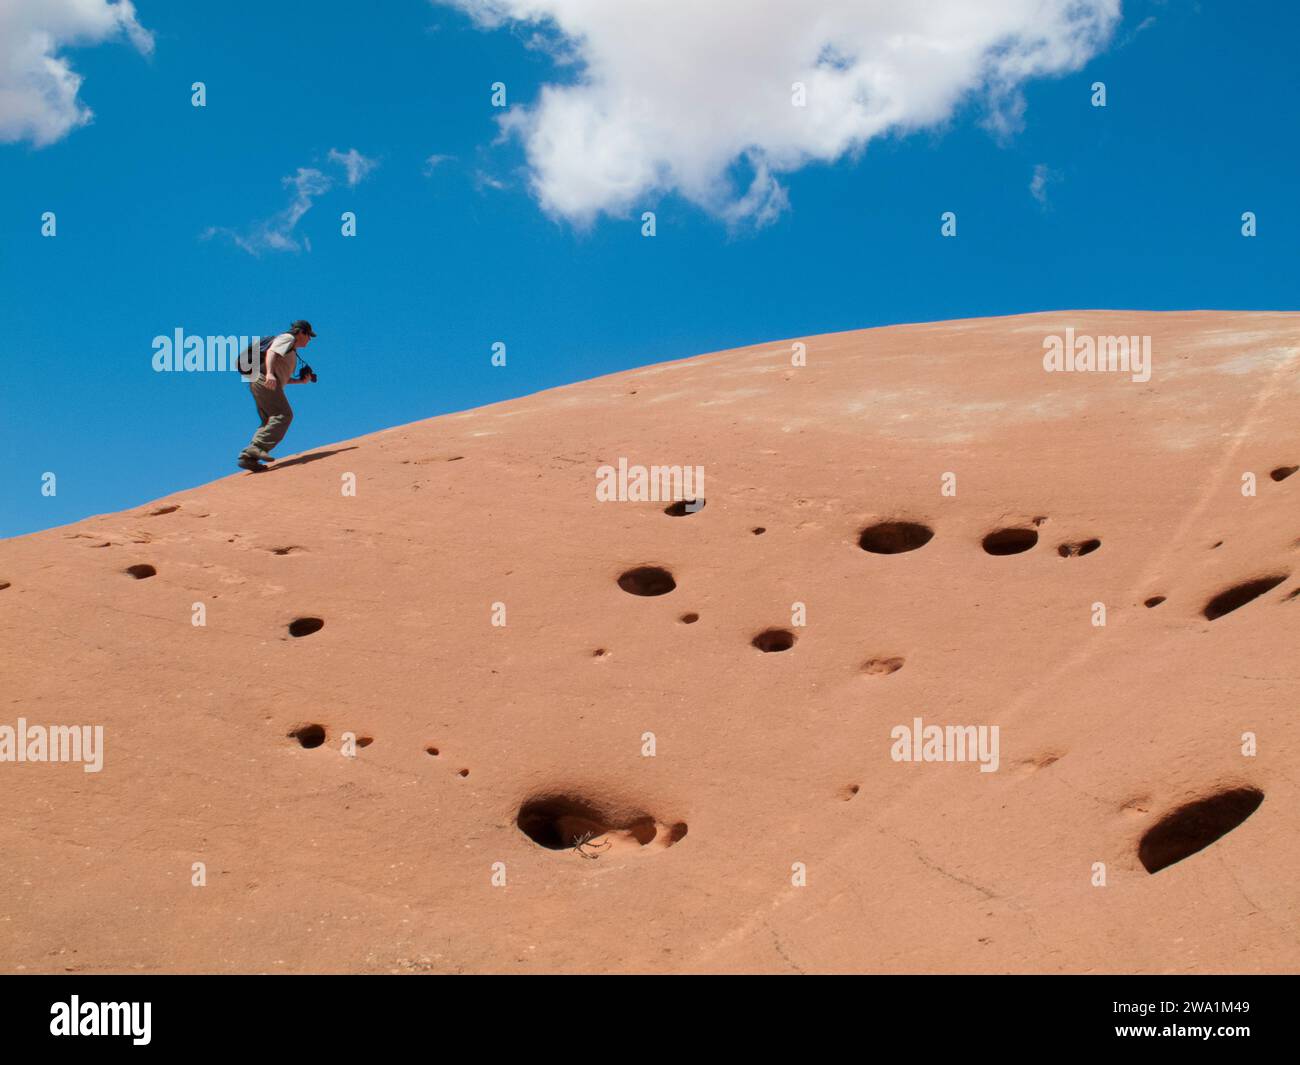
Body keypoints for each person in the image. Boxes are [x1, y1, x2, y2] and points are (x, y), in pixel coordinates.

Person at [237, 320, 317, 472]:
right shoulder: (287, 338)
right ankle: (256, 448)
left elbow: (283, 379)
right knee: (284, 415)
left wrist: (300, 381)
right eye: (309, 336)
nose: (310, 339)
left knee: (269, 420)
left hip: (260, 381)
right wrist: (269, 374)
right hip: (262, 378)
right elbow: (271, 353)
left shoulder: (291, 351)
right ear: (301, 332)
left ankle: (248, 458)